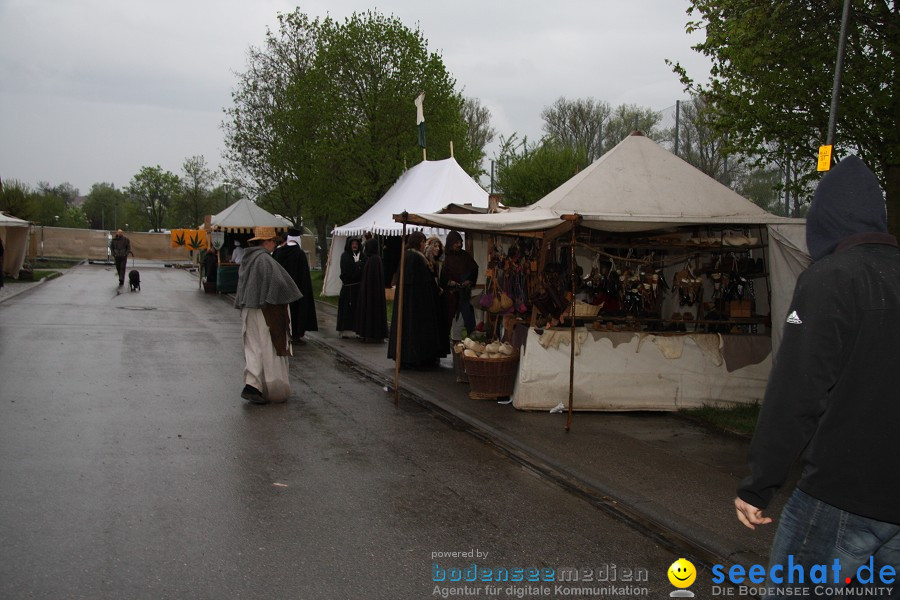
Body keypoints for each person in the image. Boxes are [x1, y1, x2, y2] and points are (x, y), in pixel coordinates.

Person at [734, 156, 900, 593]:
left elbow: (797, 392)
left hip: (842, 494)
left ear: (824, 221)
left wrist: (758, 484)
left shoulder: (831, 278)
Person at [233, 226, 302, 405]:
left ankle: (252, 385)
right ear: (266, 242)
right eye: (273, 241)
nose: (275, 245)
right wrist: (276, 298)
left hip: (250, 308)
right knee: (266, 348)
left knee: (253, 347)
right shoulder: (264, 259)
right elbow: (280, 282)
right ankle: (270, 386)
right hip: (264, 310)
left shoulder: (248, 258)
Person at [387, 231, 448, 369]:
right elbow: (422, 281)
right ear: (416, 242)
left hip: (413, 302)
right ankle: (415, 358)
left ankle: (412, 358)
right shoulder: (414, 257)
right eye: (421, 242)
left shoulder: (410, 256)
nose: (423, 244)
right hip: (416, 304)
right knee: (414, 331)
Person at [273, 227, 318, 342]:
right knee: (296, 312)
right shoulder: (300, 254)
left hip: (281, 288)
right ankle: (295, 334)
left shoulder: (279, 252)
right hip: (297, 290)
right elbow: (304, 276)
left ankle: (282, 333)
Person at [440, 231, 479, 341]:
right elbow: (441, 276)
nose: (459, 245)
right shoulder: (444, 257)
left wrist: (469, 281)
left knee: (467, 317)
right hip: (451, 295)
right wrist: (449, 282)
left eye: (460, 242)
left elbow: (474, 269)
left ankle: (472, 342)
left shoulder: (465, 255)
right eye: (456, 242)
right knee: (449, 320)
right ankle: (450, 342)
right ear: (450, 243)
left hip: (464, 294)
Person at [354, 237, 388, 342]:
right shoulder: (374, 259)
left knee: (372, 312)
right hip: (372, 293)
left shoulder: (374, 260)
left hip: (372, 294)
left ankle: (371, 334)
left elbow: (372, 279)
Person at [336, 237, 363, 337]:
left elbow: (364, 265)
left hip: (358, 288)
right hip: (348, 288)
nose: (355, 245)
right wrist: (358, 265)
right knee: (347, 309)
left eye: (356, 243)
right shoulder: (345, 256)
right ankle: (346, 330)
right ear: (349, 245)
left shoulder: (361, 255)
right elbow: (349, 269)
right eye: (353, 244)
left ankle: (357, 329)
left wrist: (359, 265)